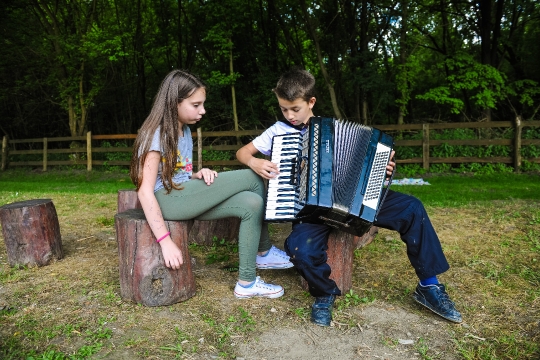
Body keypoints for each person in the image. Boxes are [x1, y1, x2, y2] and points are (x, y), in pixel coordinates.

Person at [236, 68, 462, 326]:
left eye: (294, 109)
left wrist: (382, 169)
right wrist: (254, 162)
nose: (289, 115)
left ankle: (429, 286)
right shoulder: (278, 131)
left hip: (356, 202)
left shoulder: (332, 130)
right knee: (300, 249)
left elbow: (368, 169)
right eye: (283, 109)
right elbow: (243, 152)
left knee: (412, 208)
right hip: (310, 211)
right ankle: (324, 293)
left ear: (311, 102)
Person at [130, 69, 293, 299]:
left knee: (252, 203)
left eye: (202, 104)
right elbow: (145, 191)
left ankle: (246, 282)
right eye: (196, 105)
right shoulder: (156, 134)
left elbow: (177, 174)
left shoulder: (184, 130)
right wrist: (165, 241)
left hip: (182, 194)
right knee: (254, 177)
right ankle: (264, 251)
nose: (202, 111)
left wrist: (196, 175)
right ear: (173, 102)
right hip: (167, 201)